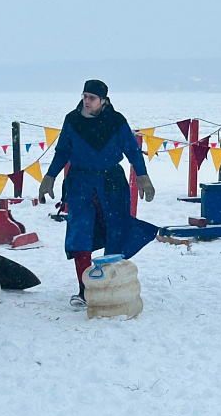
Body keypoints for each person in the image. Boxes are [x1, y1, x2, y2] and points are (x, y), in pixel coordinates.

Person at [39, 81, 158, 308]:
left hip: (111, 183)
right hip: (80, 183)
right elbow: (62, 151)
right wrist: (50, 177)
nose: (86, 101)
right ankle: (86, 290)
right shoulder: (72, 120)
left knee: (115, 231)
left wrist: (143, 177)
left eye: (92, 97)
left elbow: (132, 151)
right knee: (79, 234)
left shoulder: (116, 121)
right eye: (85, 96)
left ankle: (110, 286)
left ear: (103, 100)